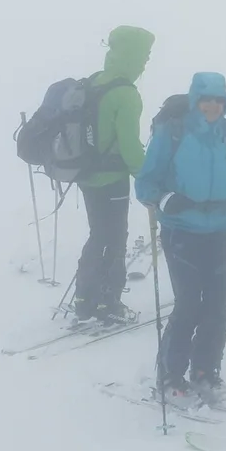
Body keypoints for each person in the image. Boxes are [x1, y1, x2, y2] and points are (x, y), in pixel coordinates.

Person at [135, 72, 226, 405]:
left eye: (218, 100)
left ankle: (205, 372)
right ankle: (170, 375)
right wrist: (165, 200)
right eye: (205, 99)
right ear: (195, 101)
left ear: (225, 103)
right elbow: (146, 181)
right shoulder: (173, 132)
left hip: (220, 229)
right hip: (181, 229)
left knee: (218, 309)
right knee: (189, 304)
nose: (212, 106)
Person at [72, 25, 155, 325]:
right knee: (115, 237)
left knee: (98, 234)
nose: (146, 63)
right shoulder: (126, 94)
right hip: (112, 177)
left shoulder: (95, 82)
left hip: (86, 174)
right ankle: (108, 301)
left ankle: (84, 297)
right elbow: (130, 147)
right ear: (131, 55)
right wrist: (148, 177)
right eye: (144, 56)